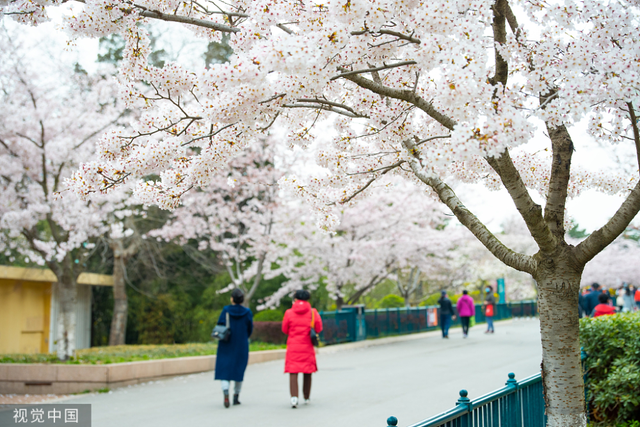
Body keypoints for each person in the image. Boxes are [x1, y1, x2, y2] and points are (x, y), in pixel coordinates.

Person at [282, 289, 323, 408]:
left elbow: (285, 329)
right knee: (307, 370)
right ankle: (306, 396)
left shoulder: (289, 313)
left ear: (295, 299)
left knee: (293, 371)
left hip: (293, 346)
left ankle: (294, 398)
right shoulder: (313, 312)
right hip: (307, 346)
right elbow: (319, 328)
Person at [214, 288, 253, 408]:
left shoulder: (226, 310)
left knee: (225, 369)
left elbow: (220, 324)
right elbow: (250, 328)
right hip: (241, 344)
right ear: (242, 300)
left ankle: (225, 391)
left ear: (232, 299)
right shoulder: (247, 312)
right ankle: (236, 396)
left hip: (226, 343)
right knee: (239, 369)